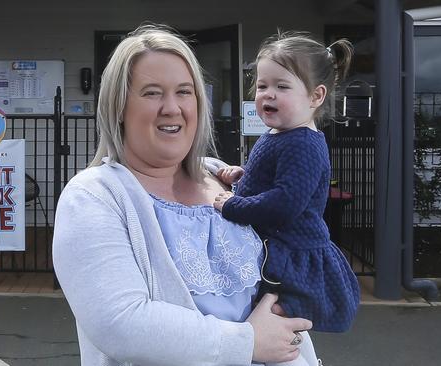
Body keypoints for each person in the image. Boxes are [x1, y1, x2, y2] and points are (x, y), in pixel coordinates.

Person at [52, 25, 320, 366]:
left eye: (184, 91)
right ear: (118, 107)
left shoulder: (224, 176)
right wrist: (246, 343)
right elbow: (120, 323)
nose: (172, 107)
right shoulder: (94, 196)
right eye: (151, 93)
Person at [213, 31, 360, 333]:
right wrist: (241, 175)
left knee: (273, 317)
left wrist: (233, 205)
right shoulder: (282, 134)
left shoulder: (302, 143)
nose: (268, 93)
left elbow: (284, 204)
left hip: (289, 254)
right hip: (276, 245)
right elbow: (274, 178)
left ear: (315, 96)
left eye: (282, 86)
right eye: (263, 85)